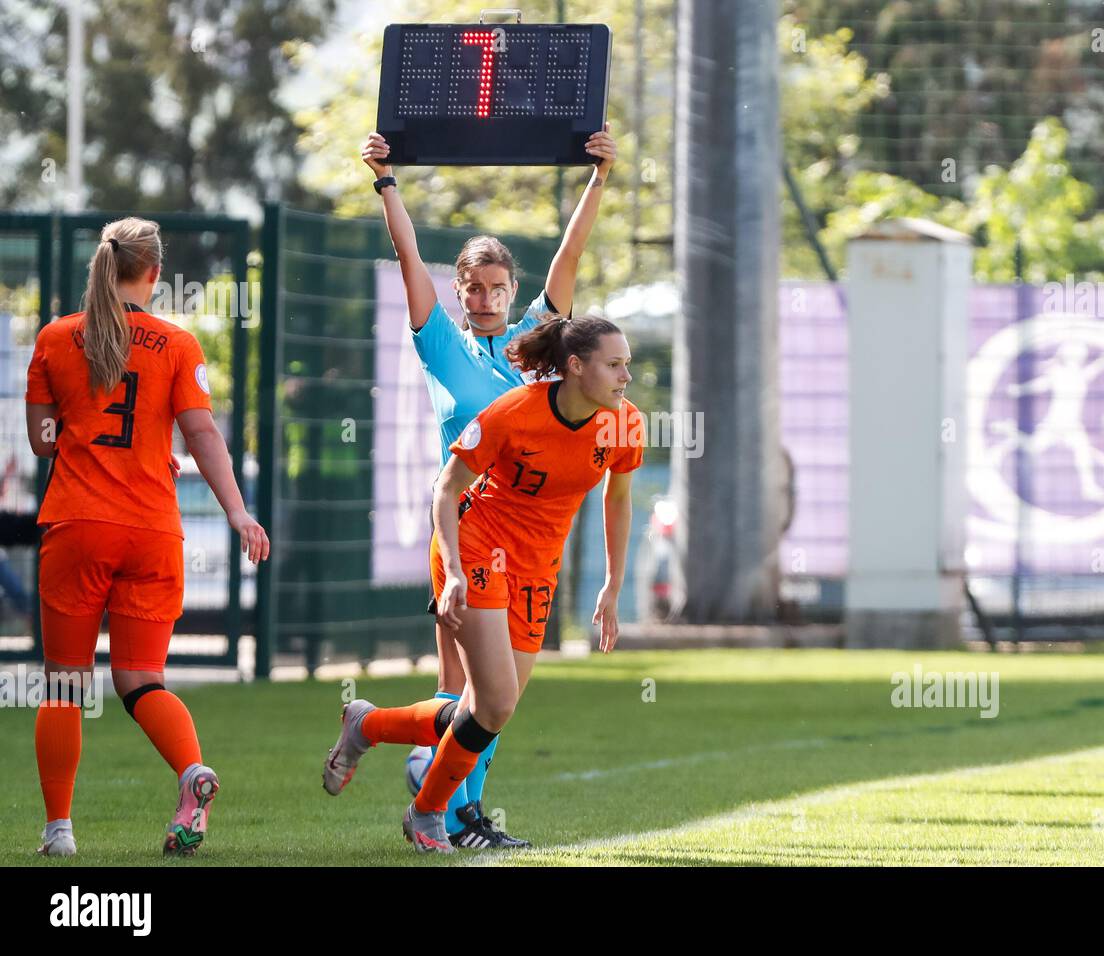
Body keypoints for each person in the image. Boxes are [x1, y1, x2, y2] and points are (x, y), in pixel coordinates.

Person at [322, 126, 616, 848]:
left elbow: (568, 258)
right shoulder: (440, 343)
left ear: (512, 291)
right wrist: (386, 181)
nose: (485, 298)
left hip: (534, 540)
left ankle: (372, 728)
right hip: (467, 525)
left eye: (496, 288)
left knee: (490, 701)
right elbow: (406, 255)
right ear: (459, 292)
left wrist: (598, 179)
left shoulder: (537, 348)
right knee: (475, 696)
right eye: (473, 288)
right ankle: (456, 818)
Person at [324, 314, 643, 852]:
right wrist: (450, 571)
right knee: (493, 703)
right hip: (477, 548)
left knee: (489, 707)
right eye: (614, 365)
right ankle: (428, 814)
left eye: (627, 365)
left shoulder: (624, 423)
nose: (625, 377)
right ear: (574, 366)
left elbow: (618, 498)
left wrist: (613, 584)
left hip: (538, 568)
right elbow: (446, 491)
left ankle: (367, 725)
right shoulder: (514, 412)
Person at [24, 217, 269, 857]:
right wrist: (240, 513)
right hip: (152, 532)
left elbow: (40, 442)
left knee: (65, 685)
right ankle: (191, 772)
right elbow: (204, 436)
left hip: (78, 525)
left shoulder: (55, 339)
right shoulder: (177, 344)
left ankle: (60, 832)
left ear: (100, 266)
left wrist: (73, 434)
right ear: (154, 273)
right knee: (142, 680)